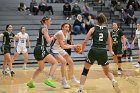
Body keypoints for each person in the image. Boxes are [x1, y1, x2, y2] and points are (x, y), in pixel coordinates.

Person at [77, 13, 118, 93]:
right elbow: (109, 43)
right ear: (103, 21)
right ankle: (113, 80)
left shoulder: (93, 29)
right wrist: (110, 51)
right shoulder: (107, 30)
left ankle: (81, 89)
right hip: (103, 51)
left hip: (94, 50)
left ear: (96, 20)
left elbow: (85, 41)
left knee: (85, 70)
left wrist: (82, 50)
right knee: (107, 71)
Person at [27, 16, 58, 88]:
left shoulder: (41, 29)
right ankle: (49, 79)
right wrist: (54, 37)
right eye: (50, 21)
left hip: (36, 49)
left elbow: (44, 38)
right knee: (55, 62)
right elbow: (49, 41)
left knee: (41, 68)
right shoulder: (45, 29)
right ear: (46, 21)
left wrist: (49, 37)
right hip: (41, 48)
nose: (51, 22)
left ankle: (31, 82)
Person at [50, 23, 80, 89]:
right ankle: (64, 81)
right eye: (66, 27)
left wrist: (74, 46)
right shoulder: (60, 33)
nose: (67, 28)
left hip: (59, 49)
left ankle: (72, 78)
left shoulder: (67, 34)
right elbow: (63, 46)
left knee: (71, 62)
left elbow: (64, 44)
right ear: (62, 27)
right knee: (63, 62)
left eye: (68, 27)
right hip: (54, 49)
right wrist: (73, 46)